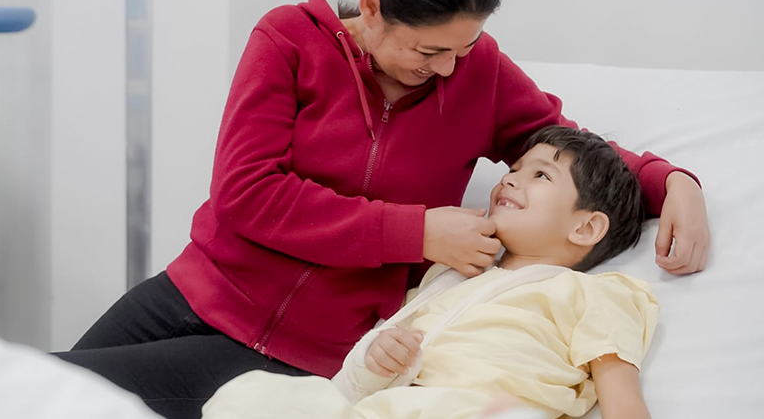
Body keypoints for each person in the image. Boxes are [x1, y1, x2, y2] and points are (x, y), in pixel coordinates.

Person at [54, 0, 708, 419]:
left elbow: (563, 146)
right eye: (430, 51)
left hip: (300, 356)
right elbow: (247, 193)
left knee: (49, 394)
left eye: (466, 45)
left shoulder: (474, 72)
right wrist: (416, 230)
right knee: (26, 385)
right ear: (370, 9)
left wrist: (672, 181)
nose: (451, 66)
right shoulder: (288, 39)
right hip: (193, 292)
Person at [201, 126, 657, 419]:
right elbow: (360, 382)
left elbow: (624, 405)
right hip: (397, 407)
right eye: (514, 169)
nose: (510, 179)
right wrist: (378, 359)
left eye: (540, 176)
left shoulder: (598, 294)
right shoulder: (449, 274)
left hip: (488, 410)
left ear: (587, 226)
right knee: (246, 397)